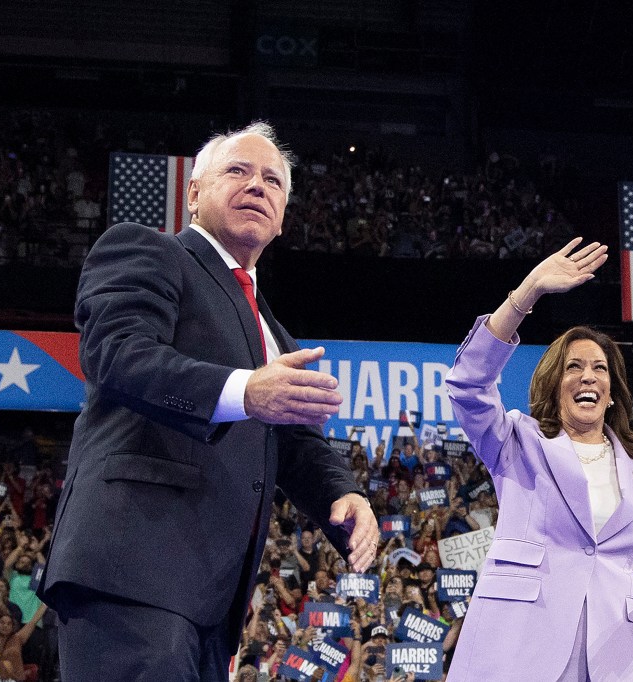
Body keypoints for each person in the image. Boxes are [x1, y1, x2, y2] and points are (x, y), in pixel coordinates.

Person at [38, 121, 379, 680]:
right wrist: (245, 390)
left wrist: (342, 494)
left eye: (272, 180)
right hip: (132, 567)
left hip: (213, 600)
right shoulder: (147, 250)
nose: (256, 185)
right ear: (193, 193)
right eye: (237, 171)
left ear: (284, 214)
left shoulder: (273, 330)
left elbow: (292, 439)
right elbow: (117, 353)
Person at [443, 238, 633, 681]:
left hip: (612, 653)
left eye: (599, 368)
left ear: (612, 391)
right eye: (574, 367)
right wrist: (527, 294)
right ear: (554, 383)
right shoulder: (519, 441)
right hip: (520, 645)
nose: (588, 376)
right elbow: (467, 385)